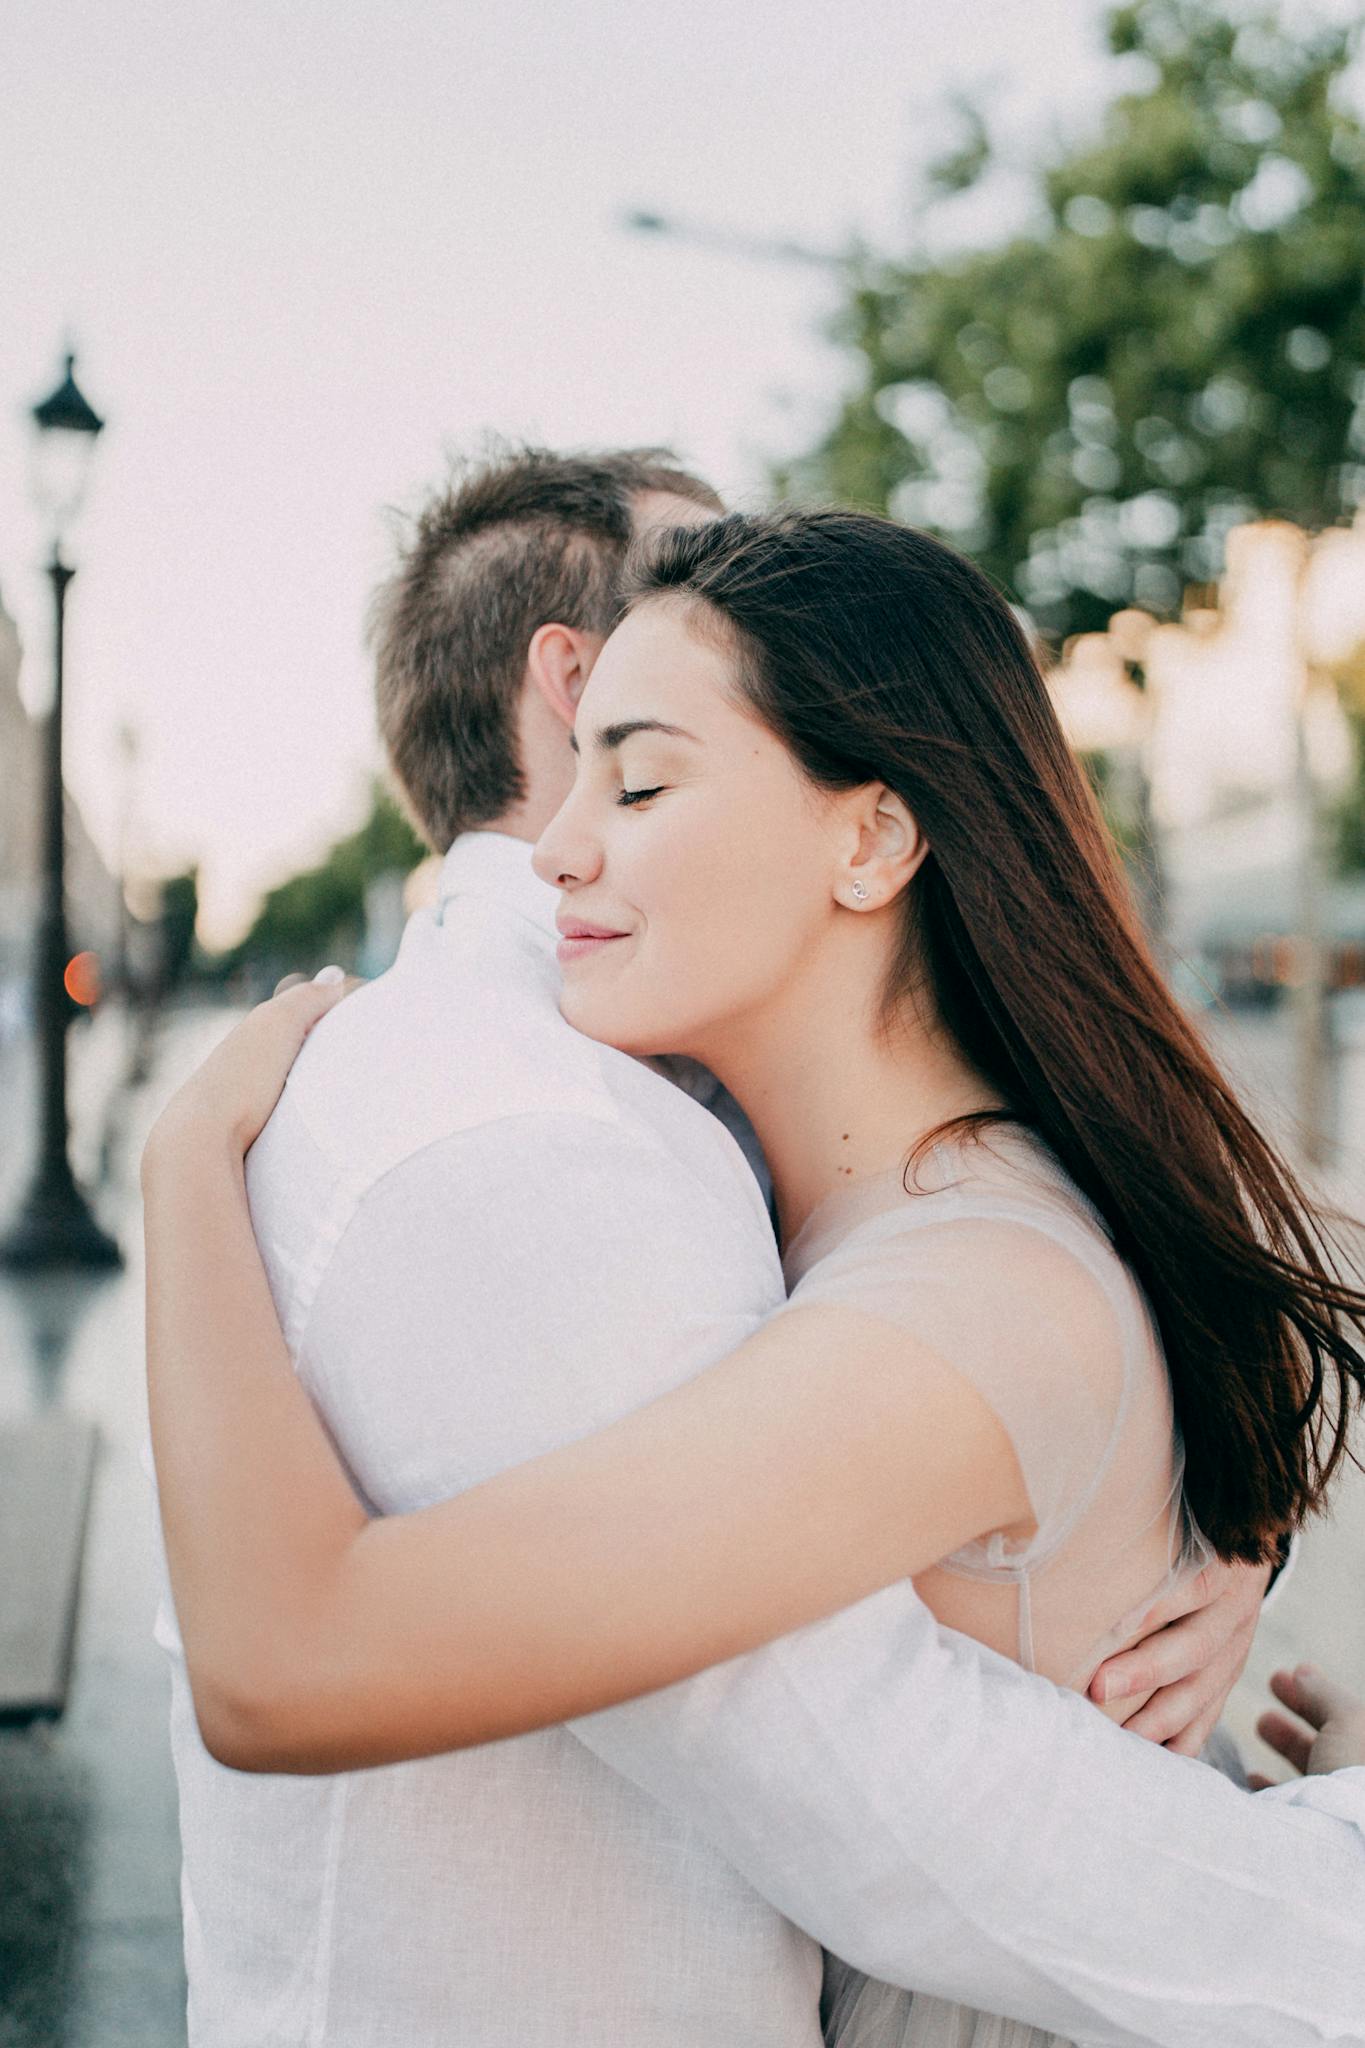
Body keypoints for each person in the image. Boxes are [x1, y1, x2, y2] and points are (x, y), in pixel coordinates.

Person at [145, 490, 1365, 2047]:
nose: (561, 853)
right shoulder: (815, 1201)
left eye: (638, 784)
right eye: (577, 772)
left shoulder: (966, 1295)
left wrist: (186, 1173)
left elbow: (287, 1669)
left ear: (870, 838)